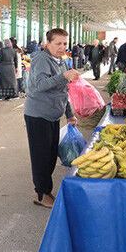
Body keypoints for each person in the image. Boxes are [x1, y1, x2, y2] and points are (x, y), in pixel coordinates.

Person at [25, 28, 80, 208]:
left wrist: (70, 115)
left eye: (65, 43)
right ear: (47, 43)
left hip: (52, 115)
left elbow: (63, 91)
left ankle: (44, 190)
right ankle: (41, 194)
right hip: (38, 115)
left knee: (50, 156)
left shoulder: (62, 61)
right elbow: (40, 85)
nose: (62, 47)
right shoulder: (42, 60)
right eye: (58, 43)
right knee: (41, 156)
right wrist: (63, 76)